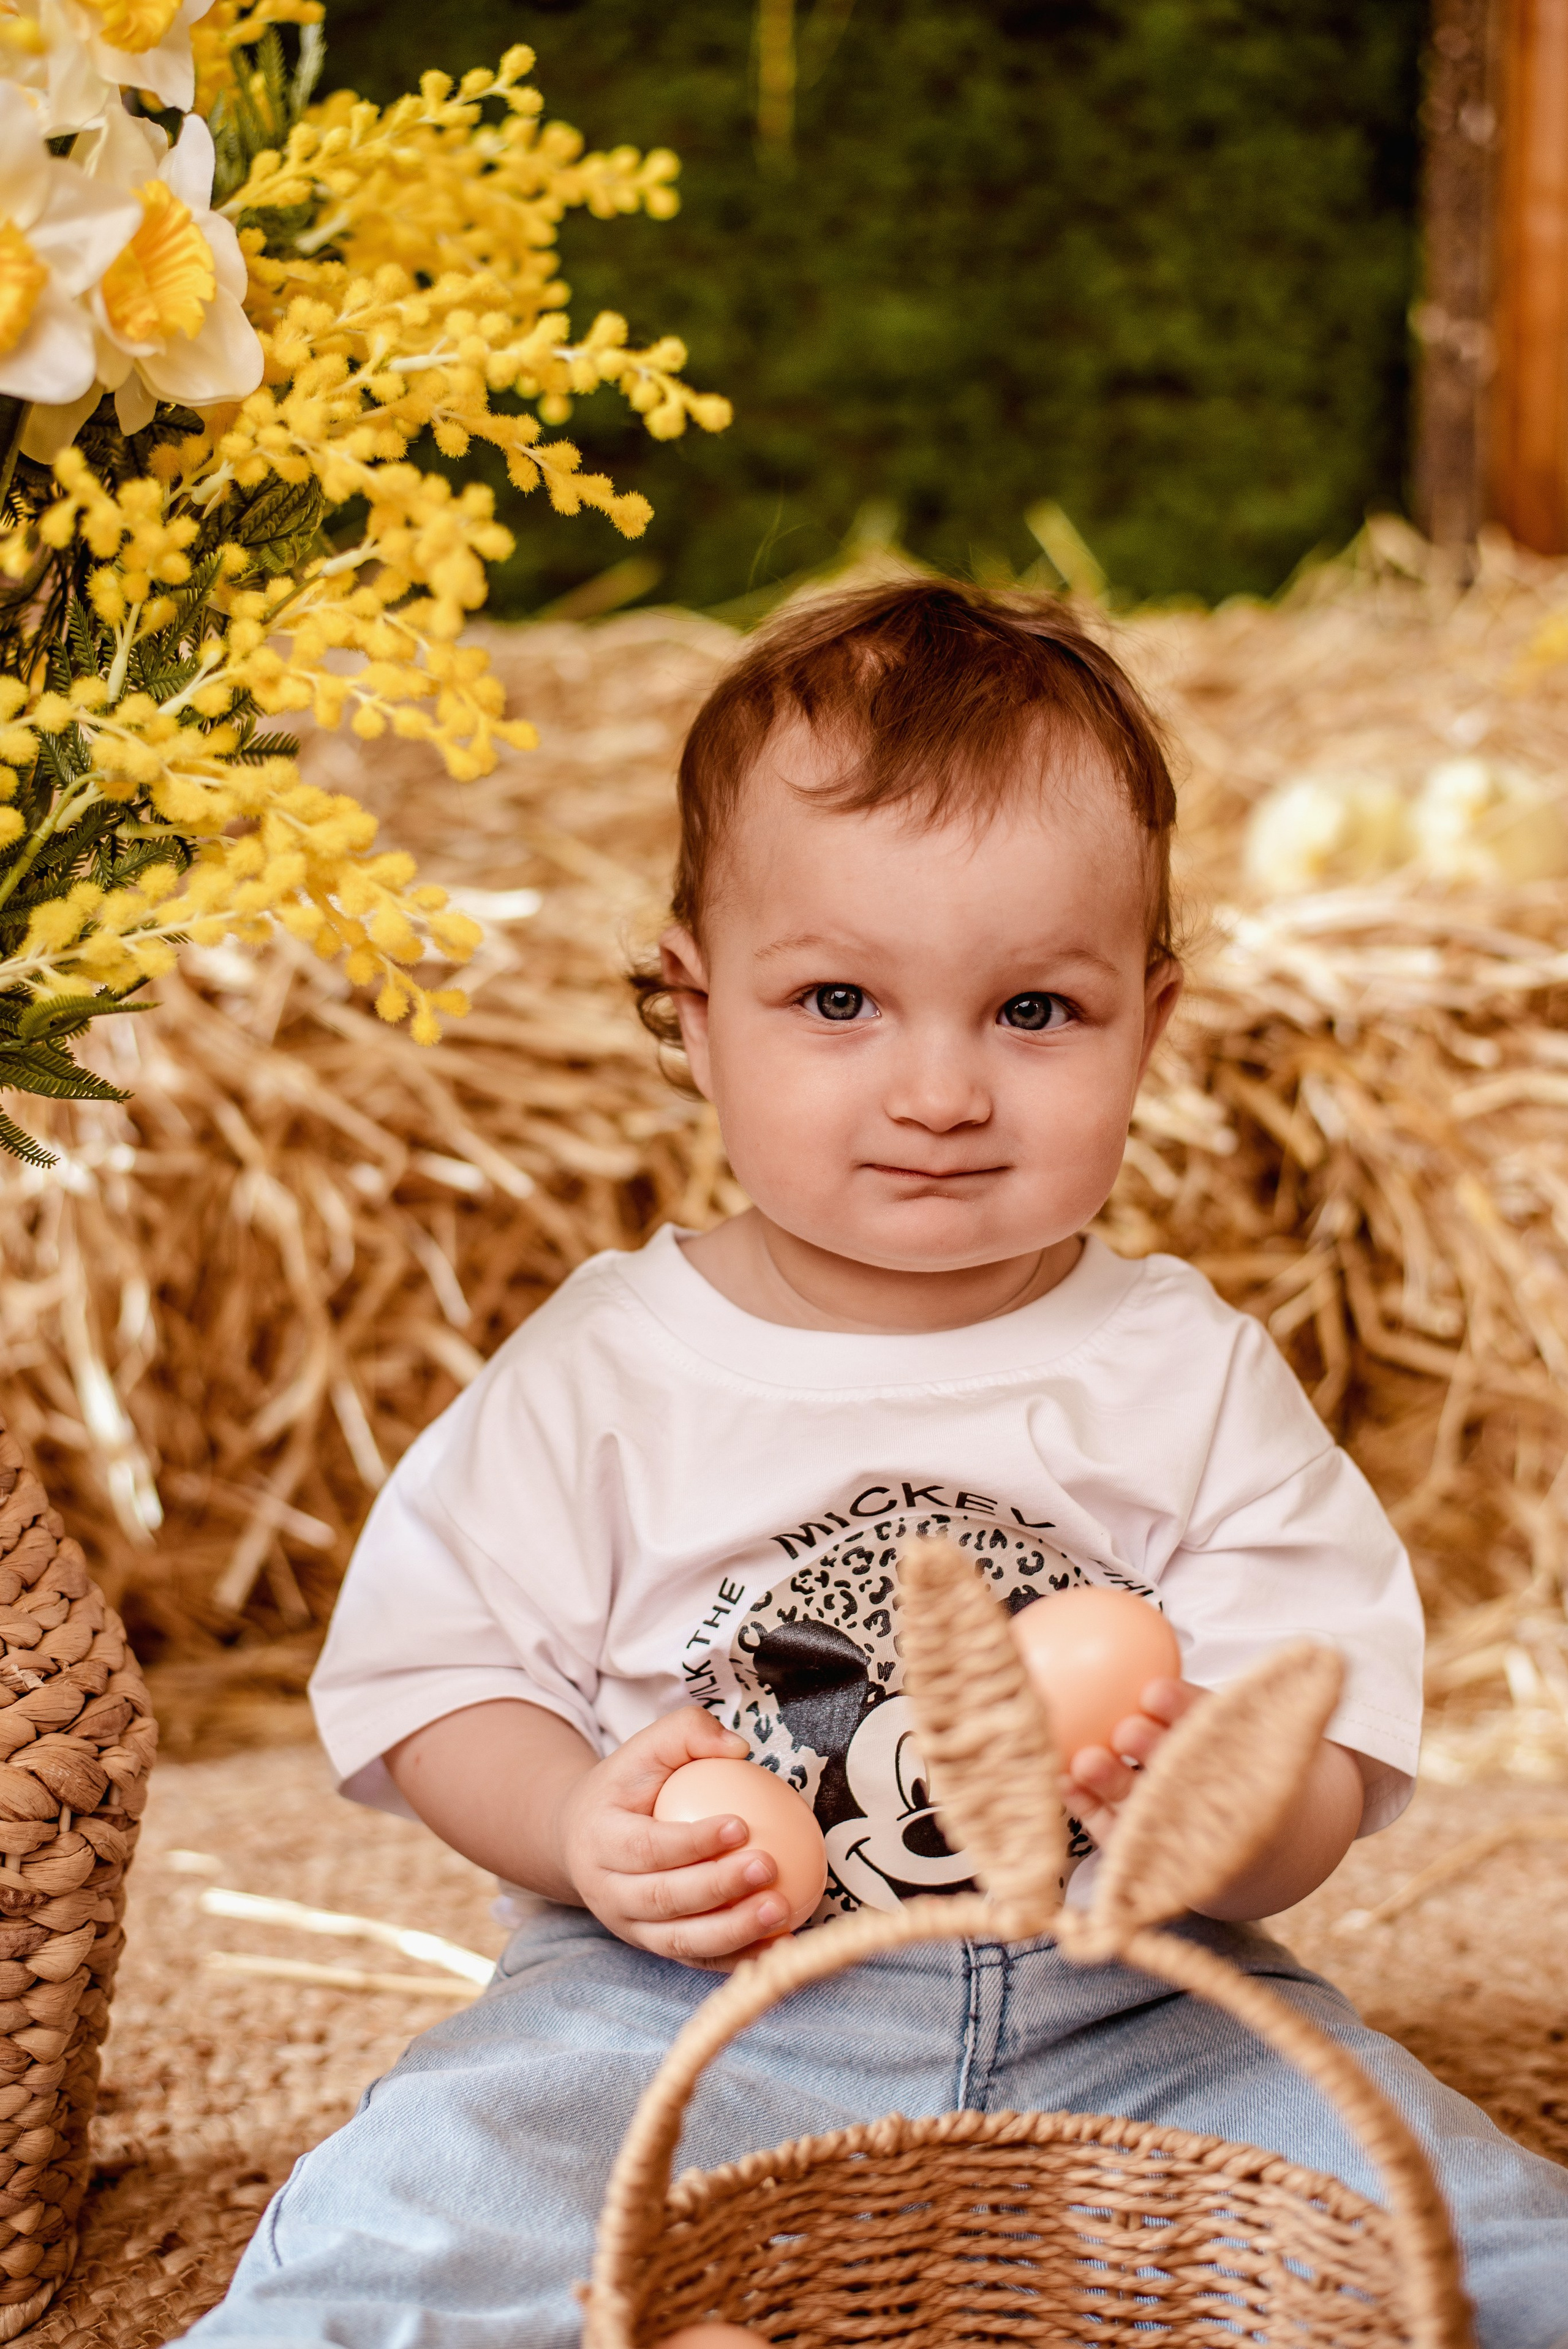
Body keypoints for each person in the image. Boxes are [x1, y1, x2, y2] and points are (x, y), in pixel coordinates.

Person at [186, 581, 1568, 2349]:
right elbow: (434, 1672)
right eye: (840, 999)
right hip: (673, 2009)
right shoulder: (612, 1363)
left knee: (1484, 2248)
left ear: (1151, 1024)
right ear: (692, 1016)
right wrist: (576, 1823)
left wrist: (1214, 1810)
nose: (938, 1090)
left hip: (1148, 2003)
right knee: (422, 2222)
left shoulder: (1188, 1371)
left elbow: (1332, 1734)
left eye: (1033, 1012)